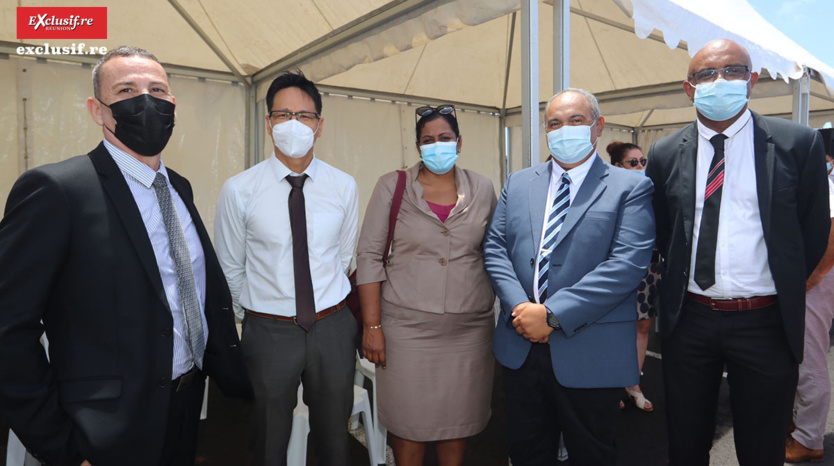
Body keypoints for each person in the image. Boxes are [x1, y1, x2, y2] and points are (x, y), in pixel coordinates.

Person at [0, 46, 253, 466]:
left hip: (187, 403)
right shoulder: (57, 190)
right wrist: (62, 445)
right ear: (97, 110)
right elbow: (8, 328)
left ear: (173, 105)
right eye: (126, 90)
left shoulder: (179, 187)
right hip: (104, 428)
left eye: (157, 89)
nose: (146, 101)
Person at [645, 39, 829, 465]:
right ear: (689, 88)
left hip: (766, 322)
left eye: (732, 71)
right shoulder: (665, 152)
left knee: (761, 447)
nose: (719, 81)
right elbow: (663, 229)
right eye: (706, 74)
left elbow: (813, 230)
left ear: (752, 79)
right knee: (686, 443)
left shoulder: (798, 144)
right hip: (689, 321)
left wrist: (781, 284)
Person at [484, 88, 655, 465]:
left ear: (598, 127)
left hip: (591, 350)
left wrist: (552, 315)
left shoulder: (631, 186)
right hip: (521, 347)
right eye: (555, 123)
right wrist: (522, 310)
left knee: (593, 453)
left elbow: (626, 265)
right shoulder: (519, 182)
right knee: (527, 452)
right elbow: (496, 249)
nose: (565, 130)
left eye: (576, 121)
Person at [214, 70, 359, 465]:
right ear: (268, 123)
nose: (294, 124)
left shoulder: (343, 186)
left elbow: (344, 256)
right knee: (266, 438)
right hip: (268, 331)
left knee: (334, 437)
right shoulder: (239, 189)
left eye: (304, 116)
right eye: (283, 115)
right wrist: (260, 315)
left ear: (320, 125)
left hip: (332, 326)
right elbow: (230, 265)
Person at [356, 104, 497, 465]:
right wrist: (373, 326)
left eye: (445, 138)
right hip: (406, 331)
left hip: (469, 330)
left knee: (456, 425)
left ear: (459, 142)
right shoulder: (393, 185)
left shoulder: (482, 188)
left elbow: (495, 252)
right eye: (428, 140)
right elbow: (370, 256)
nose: (438, 146)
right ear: (418, 147)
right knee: (409, 428)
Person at [787, 127, 834, 463]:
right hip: (818, 279)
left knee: (809, 359)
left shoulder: (826, 178)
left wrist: (813, 275)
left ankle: (809, 439)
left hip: (818, 281)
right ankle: (802, 429)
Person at [607, 141, 658, 412]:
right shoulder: (608, 193)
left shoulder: (651, 191)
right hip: (621, 270)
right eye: (633, 162)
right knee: (616, 329)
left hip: (650, 270)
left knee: (643, 327)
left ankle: (633, 384)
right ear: (618, 167)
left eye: (642, 161)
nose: (640, 167)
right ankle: (611, 386)